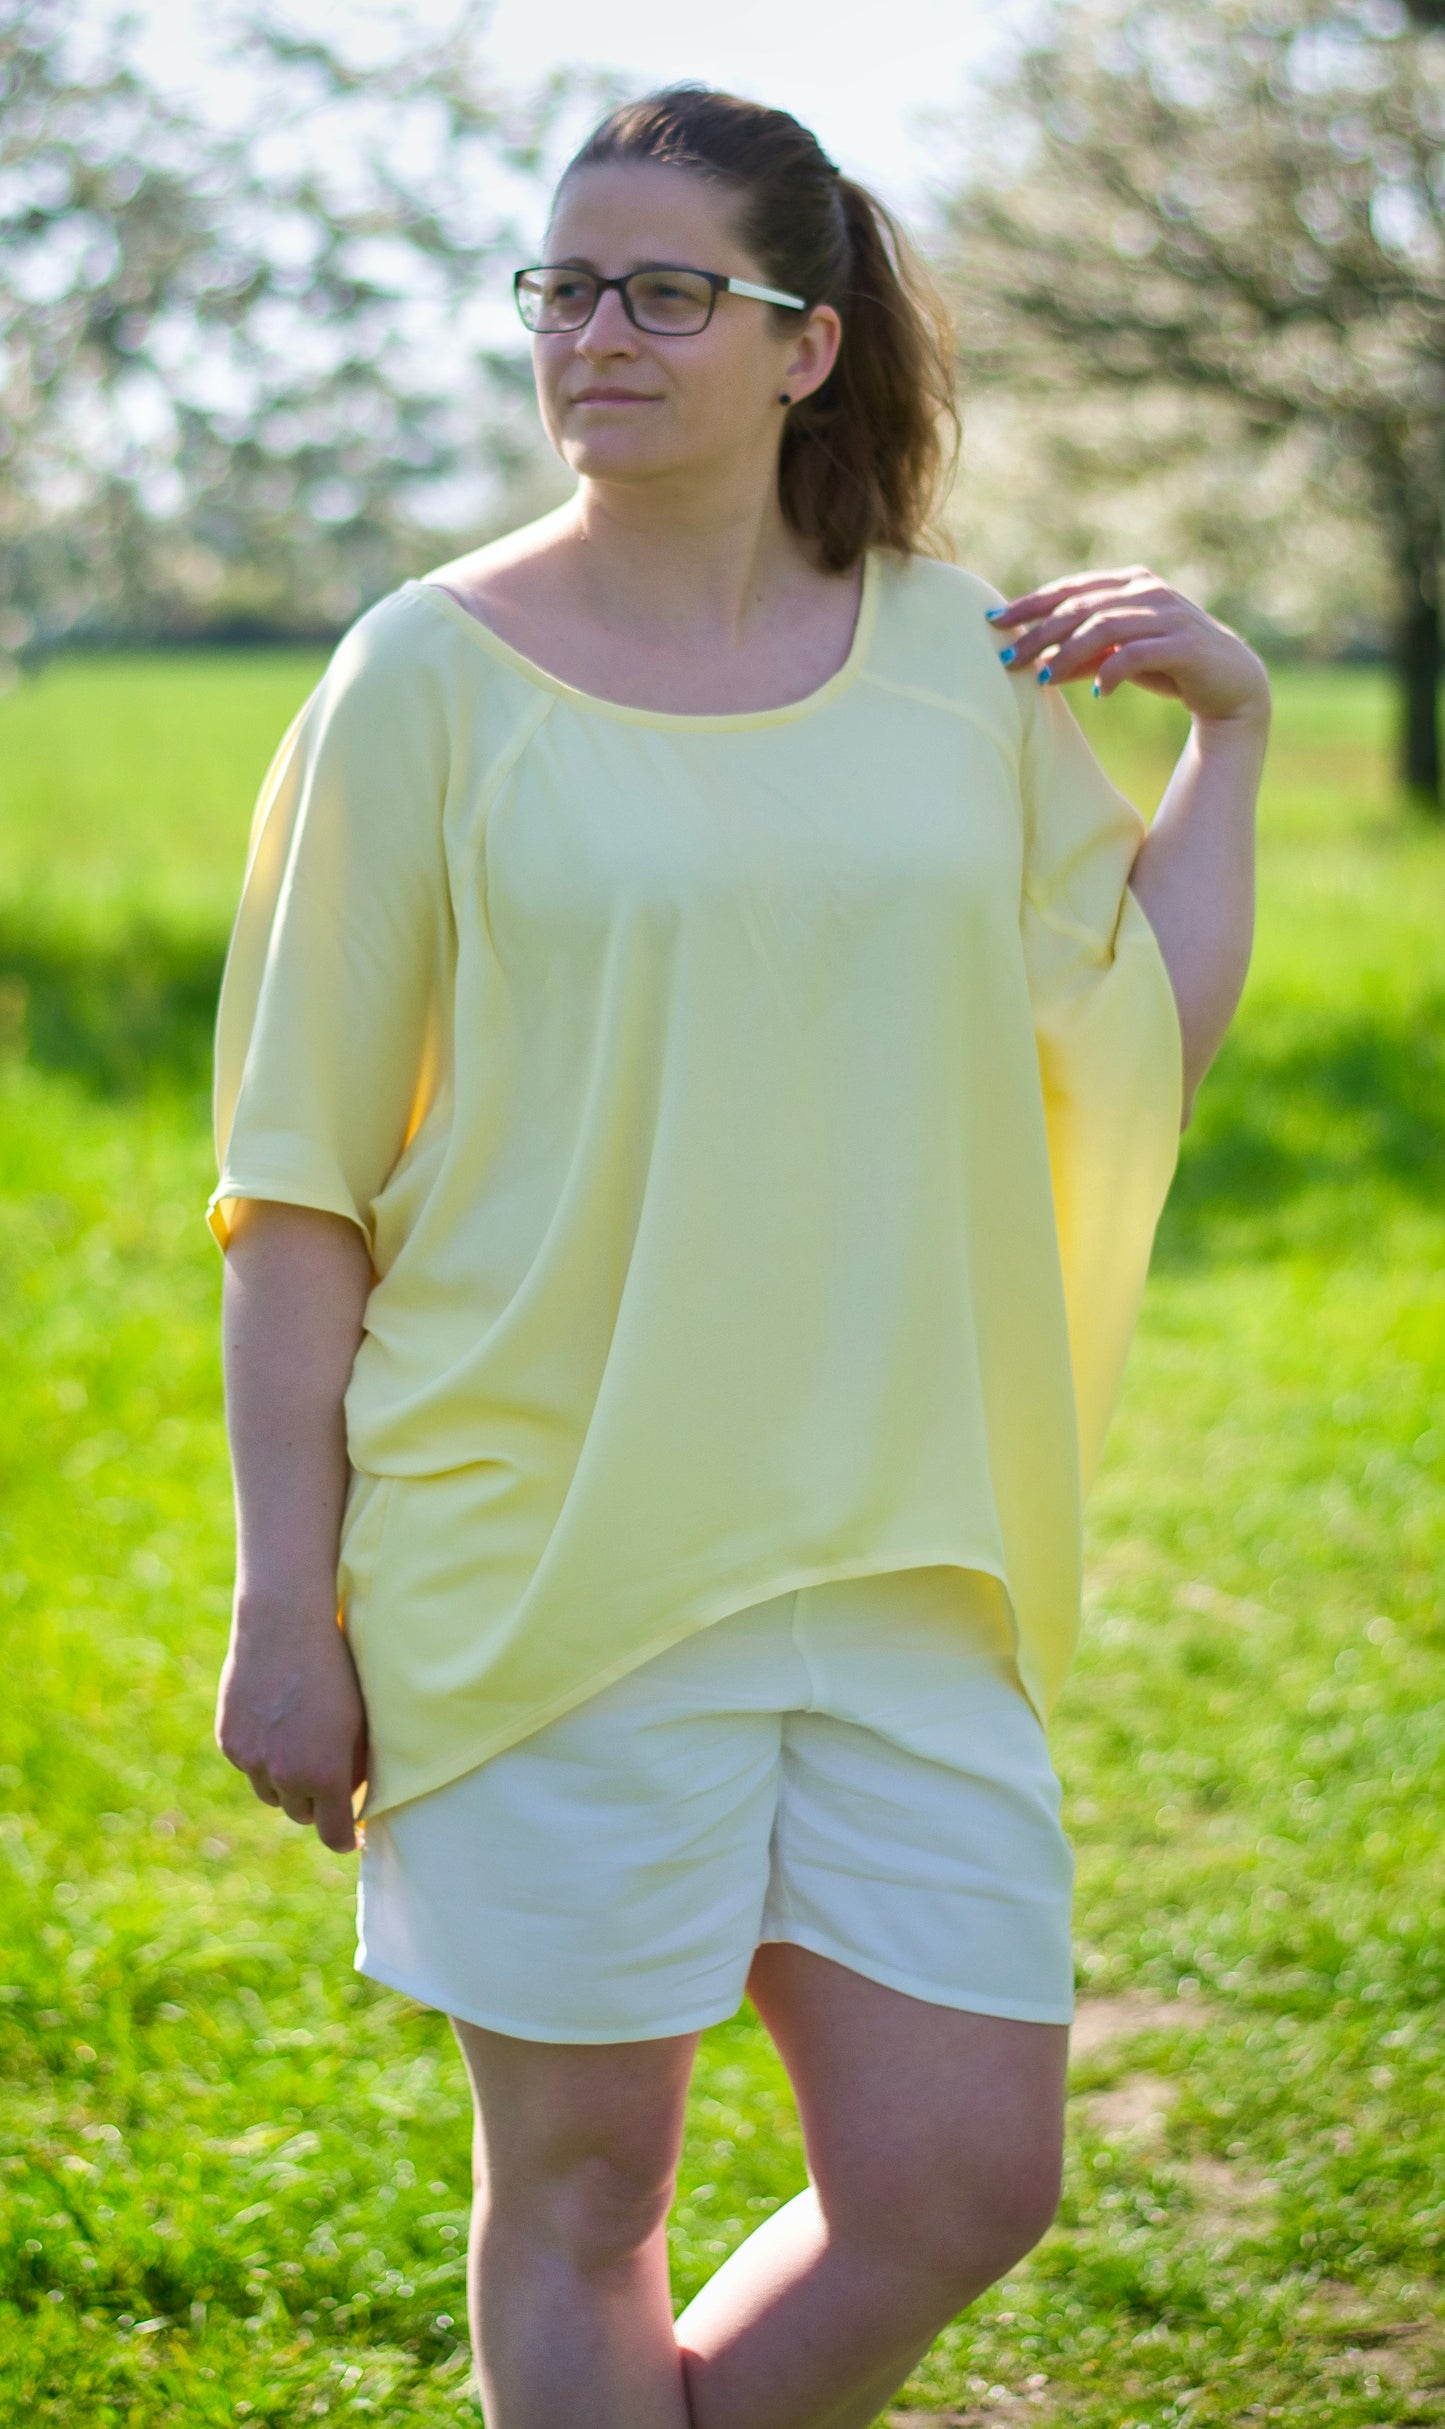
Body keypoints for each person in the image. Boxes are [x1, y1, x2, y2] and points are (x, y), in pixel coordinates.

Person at [208, 83, 1268, 2429]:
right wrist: (287, 1612)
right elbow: (296, 1188)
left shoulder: (958, 660)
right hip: (540, 1553)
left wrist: (1232, 735)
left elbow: (1133, 1035)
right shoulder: (422, 676)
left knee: (962, 2180)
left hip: (901, 1553)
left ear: (805, 343)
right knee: (587, 2196)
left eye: (666, 291)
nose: (596, 332)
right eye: (567, 287)